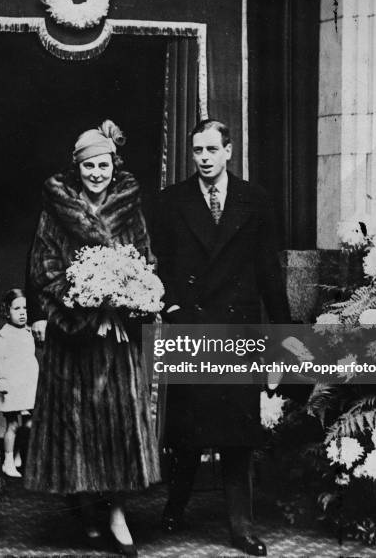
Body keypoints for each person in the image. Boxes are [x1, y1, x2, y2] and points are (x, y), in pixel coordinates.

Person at [152, 119, 291, 557]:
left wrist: (282, 337)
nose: (205, 158)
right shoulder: (171, 201)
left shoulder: (256, 199)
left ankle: (241, 527)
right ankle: (175, 506)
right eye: (198, 151)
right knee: (187, 430)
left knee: (238, 433)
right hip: (191, 327)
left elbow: (270, 271)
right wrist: (171, 305)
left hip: (238, 328)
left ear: (229, 151)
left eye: (213, 149)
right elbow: (159, 263)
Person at [24, 120, 160, 557]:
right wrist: (80, 292)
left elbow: (146, 260)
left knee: (119, 426)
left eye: (103, 165)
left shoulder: (129, 209)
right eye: (88, 167)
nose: (96, 173)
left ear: (113, 166)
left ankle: (118, 514)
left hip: (115, 338)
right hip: (74, 334)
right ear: (77, 168)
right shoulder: (57, 210)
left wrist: (128, 290)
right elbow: (42, 267)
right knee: (75, 427)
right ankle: (86, 511)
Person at [0, 288, 39, 478]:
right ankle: (8, 461)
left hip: (28, 386)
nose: (22, 313)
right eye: (16, 308)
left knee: (28, 425)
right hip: (11, 386)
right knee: (12, 425)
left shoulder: (29, 332)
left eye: (25, 309)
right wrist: (0, 379)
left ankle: (18, 453)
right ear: (7, 311)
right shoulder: (4, 334)